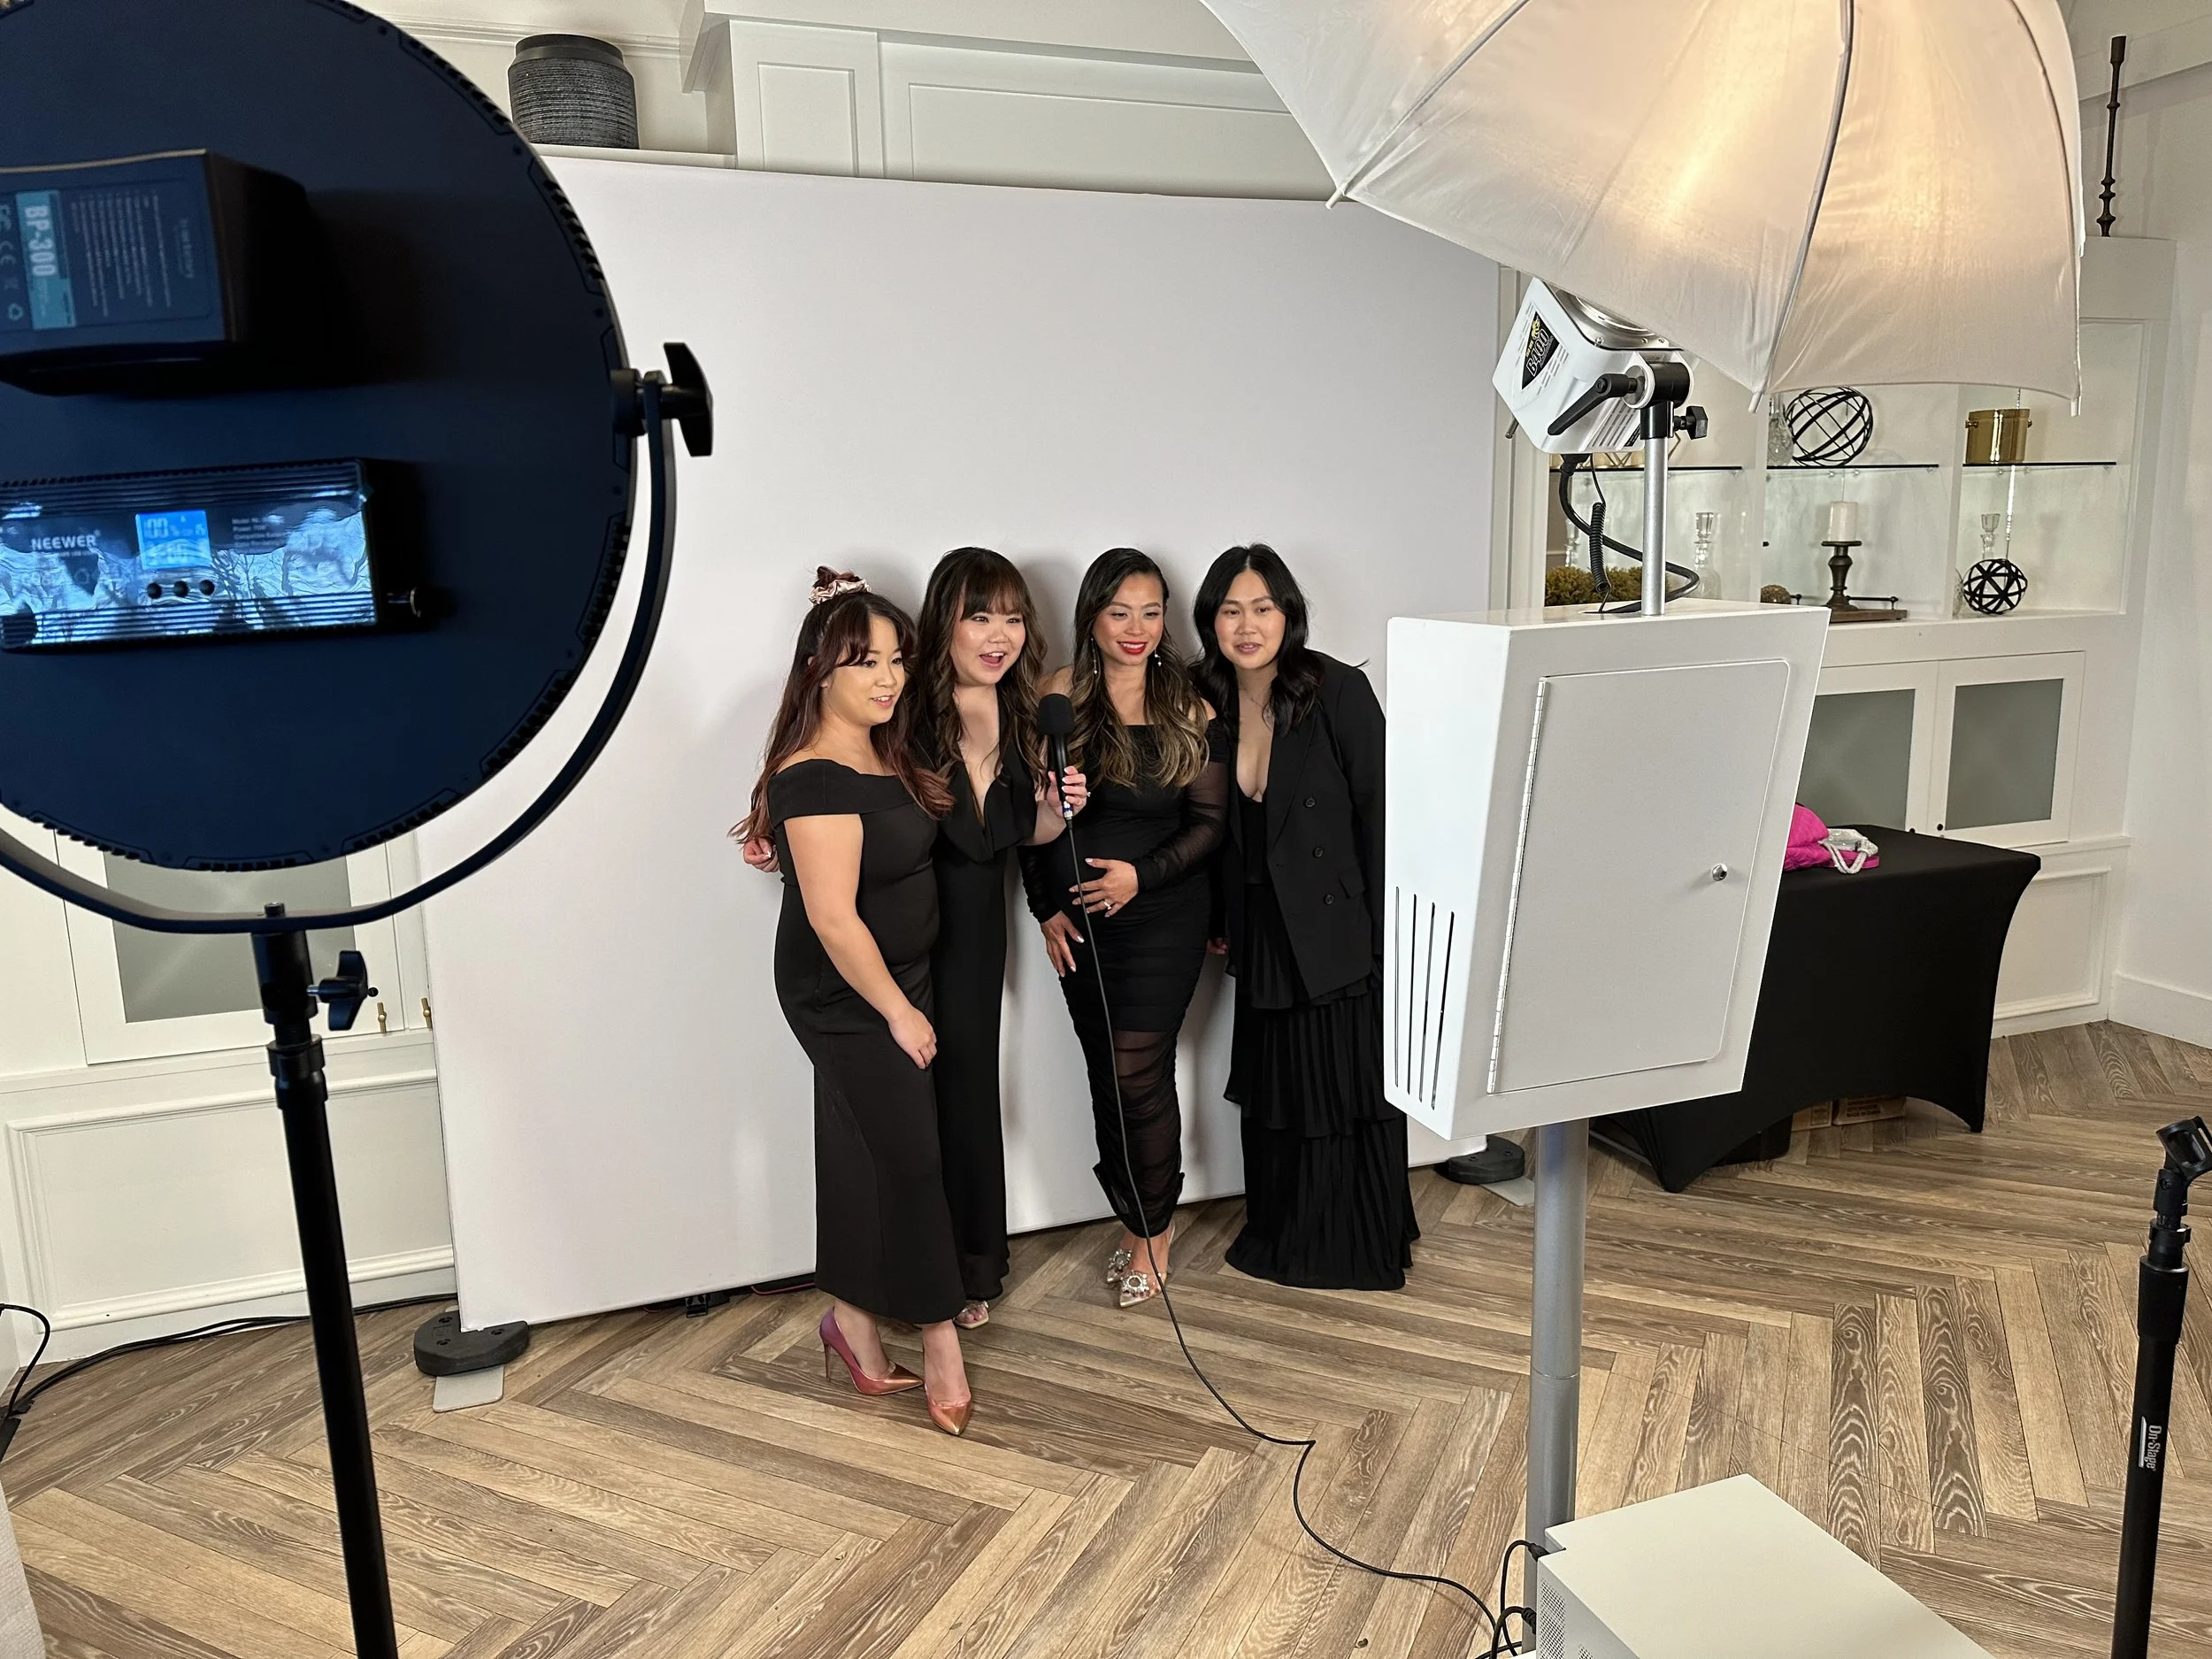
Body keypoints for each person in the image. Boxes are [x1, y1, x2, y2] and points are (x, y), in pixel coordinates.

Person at [735, 568, 972, 1435]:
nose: (887, 677)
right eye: (864, 662)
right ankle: (941, 1337)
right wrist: (897, 1013)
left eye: (897, 659)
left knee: (858, 1151)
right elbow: (833, 920)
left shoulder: (882, 747)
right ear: (817, 672)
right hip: (845, 993)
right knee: (911, 1158)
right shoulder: (813, 777)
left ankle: (855, 1327)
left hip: (897, 978)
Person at [1194, 544, 1417, 1290]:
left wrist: (1388, 935)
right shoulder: (1207, 700)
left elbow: (1385, 816)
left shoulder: (1337, 690)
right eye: (1230, 609)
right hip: (1260, 933)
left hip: (1338, 930)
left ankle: (1350, 1237)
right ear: (1211, 621)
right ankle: (1286, 1228)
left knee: (1343, 1087)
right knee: (1282, 1088)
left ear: (1288, 614)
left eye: (1262, 607)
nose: (1247, 624)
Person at [1020, 549, 1227, 1309]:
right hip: (1081, 925)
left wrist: (1141, 876)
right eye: (1119, 612)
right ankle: (1132, 1215)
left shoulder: (1190, 703)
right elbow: (1031, 816)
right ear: (1092, 616)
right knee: (1105, 1070)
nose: (1137, 629)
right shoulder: (1057, 698)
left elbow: (1210, 825)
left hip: (1165, 916)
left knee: (1140, 1070)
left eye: (1150, 611)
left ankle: (1155, 1229)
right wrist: (1045, 907)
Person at [910, 549, 1088, 1328]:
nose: (999, 634)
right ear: (943, 618)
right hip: (905, 931)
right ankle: (910, 1266)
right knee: (906, 1103)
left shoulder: (1021, 715)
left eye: (1013, 617)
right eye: (980, 614)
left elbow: (1022, 834)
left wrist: (1058, 809)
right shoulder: (905, 707)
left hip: (980, 933)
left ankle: (971, 1263)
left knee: (970, 1093)